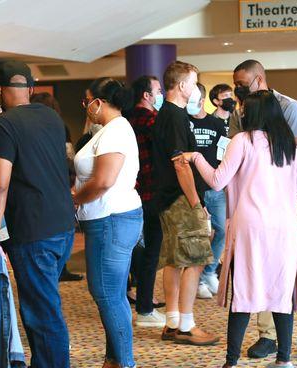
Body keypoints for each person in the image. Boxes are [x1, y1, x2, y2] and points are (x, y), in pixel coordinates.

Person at [180, 90, 297, 368]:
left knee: (244, 291)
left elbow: (217, 180)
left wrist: (195, 158)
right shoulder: (293, 149)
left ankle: (231, 361)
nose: (240, 112)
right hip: (285, 226)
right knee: (280, 293)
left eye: (244, 109)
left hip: (250, 225)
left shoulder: (243, 140)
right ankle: (284, 360)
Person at [232, 59, 297, 362]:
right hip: (254, 201)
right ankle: (267, 335)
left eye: (243, 84)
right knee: (259, 268)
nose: (239, 90)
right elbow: (236, 153)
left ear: (259, 79)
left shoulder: (289, 107)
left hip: (290, 200)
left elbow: (295, 156)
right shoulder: (239, 111)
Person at [0, 61, 75, 368]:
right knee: (46, 307)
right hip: (63, 226)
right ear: (31, 88)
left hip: (33, 231)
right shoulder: (50, 116)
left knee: (42, 313)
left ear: (0, 90)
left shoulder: (4, 124)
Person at [73, 77, 143, 368]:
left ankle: (125, 363)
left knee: (106, 293)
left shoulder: (115, 131)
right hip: (111, 217)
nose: (85, 106)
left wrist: (74, 199)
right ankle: (114, 359)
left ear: (98, 102)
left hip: (110, 219)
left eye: (87, 100)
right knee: (113, 294)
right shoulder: (109, 130)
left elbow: (102, 181)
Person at [152, 60, 219, 346]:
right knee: (194, 260)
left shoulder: (165, 114)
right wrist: (196, 203)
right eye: (193, 83)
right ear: (181, 86)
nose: (194, 89)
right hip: (180, 200)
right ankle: (186, 325)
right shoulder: (176, 116)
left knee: (175, 261)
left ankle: (172, 322)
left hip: (167, 198)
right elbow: (181, 165)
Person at [30, 92, 84, 283]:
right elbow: (69, 157)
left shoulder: (29, 129)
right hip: (61, 184)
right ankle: (60, 268)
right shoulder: (60, 127)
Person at [127, 75, 166, 328]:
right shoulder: (151, 120)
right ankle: (144, 308)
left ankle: (141, 302)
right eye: (158, 90)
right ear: (147, 95)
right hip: (151, 191)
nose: (160, 94)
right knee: (152, 250)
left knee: (135, 249)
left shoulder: (127, 120)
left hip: (133, 191)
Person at [189, 83, 228, 300]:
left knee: (221, 230)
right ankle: (198, 281)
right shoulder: (185, 123)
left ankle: (209, 271)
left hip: (215, 186)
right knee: (199, 235)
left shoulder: (216, 124)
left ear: (202, 98)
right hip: (193, 187)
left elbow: (224, 155)